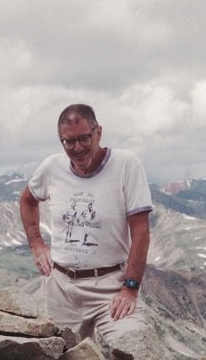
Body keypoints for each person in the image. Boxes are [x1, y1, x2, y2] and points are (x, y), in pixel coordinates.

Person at [19, 104, 152, 344]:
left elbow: (141, 232)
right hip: (60, 289)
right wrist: (36, 244)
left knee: (135, 354)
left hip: (110, 287)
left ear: (98, 133)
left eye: (84, 138)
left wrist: (130, 288)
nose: (77, 148)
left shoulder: (126, 164)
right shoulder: (52, 167)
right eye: (69, 142)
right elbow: (27, 200)